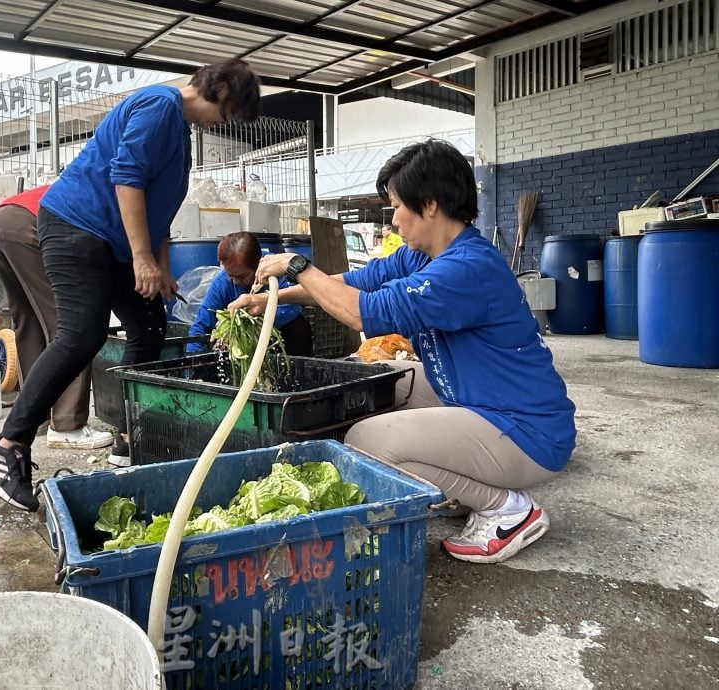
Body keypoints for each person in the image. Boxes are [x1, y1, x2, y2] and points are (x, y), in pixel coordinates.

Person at [231, 139, 576, 564]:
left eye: (396, 206)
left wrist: (297, 265)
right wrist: (273, 300)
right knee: (383, 377)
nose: (393, 219)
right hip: (483, 401)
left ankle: (507, 509)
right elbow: (352, 283)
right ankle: (457, 485)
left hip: (525, 432)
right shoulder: (424, 256)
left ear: (429, 205)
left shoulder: (464, 269)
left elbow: (361, 314)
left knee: (366, 441)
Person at [0, 58, 262, 511]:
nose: (225, 124)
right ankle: (9, 444)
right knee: (80, 334)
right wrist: (143, 259)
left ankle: (128, 440)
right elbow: (126, 178)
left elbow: (159, 208)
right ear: (222, 91)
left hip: (110, 243)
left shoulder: (180, 132)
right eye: (231, 114)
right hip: (76, 228)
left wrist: (161, 267)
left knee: (149, 321)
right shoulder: (160, 104)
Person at [0, 185, 114, 450]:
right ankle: (68, 425)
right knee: (73, 324)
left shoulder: (90, 180)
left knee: (28, 319)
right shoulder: (118, 193)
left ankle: (36, 415)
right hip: (28, 223)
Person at [185, 232, 313, 356]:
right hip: (244, 351)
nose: (235, 281)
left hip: (279, 340)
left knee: (298, 327)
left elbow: (293, 307)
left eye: (241, 277)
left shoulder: (278, 272)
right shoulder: (222, 283)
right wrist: (193, 364)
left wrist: (248, 325)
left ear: (258, 265)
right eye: (231, 276)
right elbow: (200, 326)